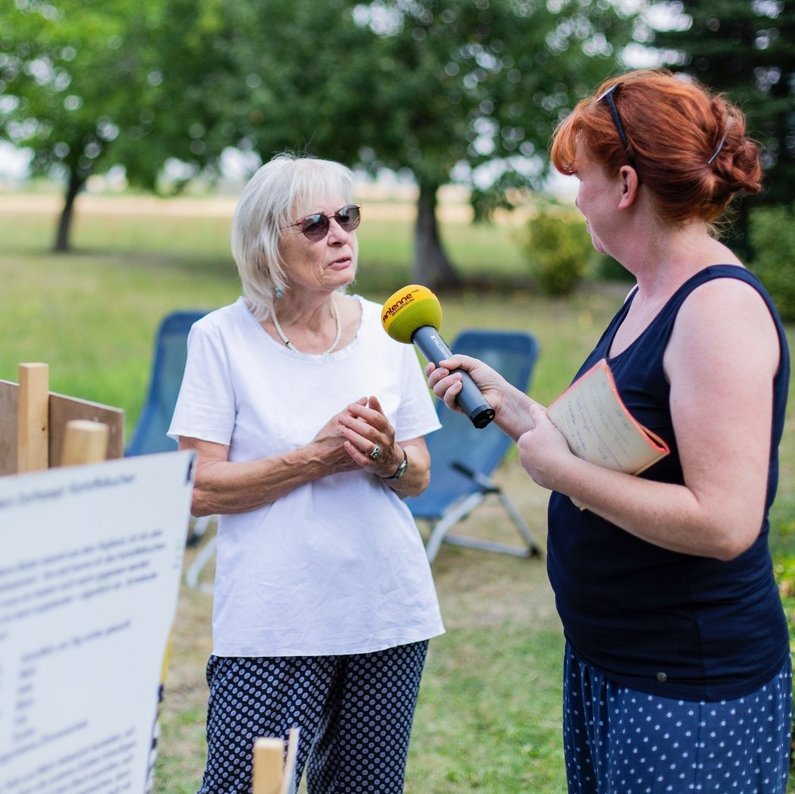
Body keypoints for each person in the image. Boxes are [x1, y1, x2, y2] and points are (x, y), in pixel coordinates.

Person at [427, 68, 791, 793]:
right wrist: (517, 410)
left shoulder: (715, 312)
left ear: (625, 185)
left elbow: (723, 523)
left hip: (689, 686)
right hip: (612, 662)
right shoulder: (645, 292)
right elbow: (620, 445)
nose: (575, 199)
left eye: (580, 179)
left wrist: (557, 474)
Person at [168, 153, 444, 793]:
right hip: (274, 618)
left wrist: (388, 459)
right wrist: (319, 457)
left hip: (385, 611)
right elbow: (199, 488)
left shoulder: (389, 330)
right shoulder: (220, 339)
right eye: (315, 224)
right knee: (245, 786)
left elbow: (419, 474)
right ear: (267, 246)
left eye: (348, 216)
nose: (340, 234)